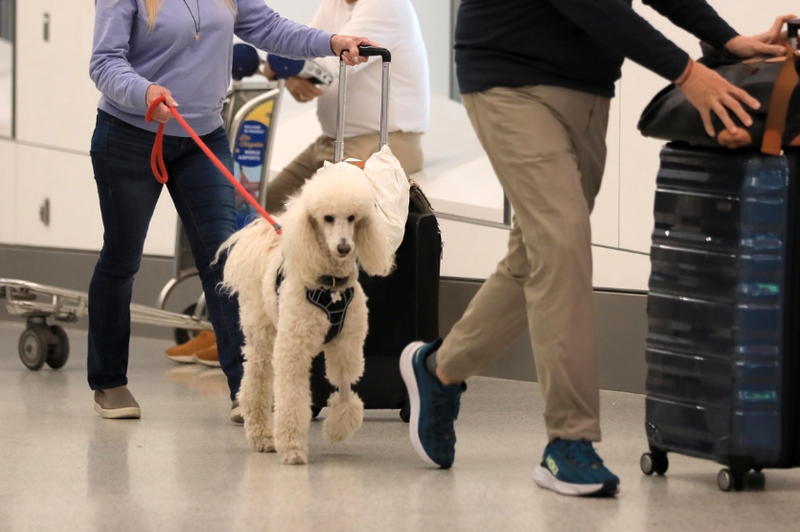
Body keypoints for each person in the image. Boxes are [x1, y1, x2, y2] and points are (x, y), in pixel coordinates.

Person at [400, 1, 795, 497]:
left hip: (587, 89)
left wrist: (726, 39)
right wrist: (688, 73)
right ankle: (569, 442)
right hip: (508, 79)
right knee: (562, 245)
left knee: (540, 253)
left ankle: (440, 370)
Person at [88, 0, 376, 422]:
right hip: (130, 136)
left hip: (201, 135)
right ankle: (109, 381)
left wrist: (331, 42)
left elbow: (269, 27)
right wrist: (145, 91)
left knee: (225, 259)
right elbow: (104, 62)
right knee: (122, 257)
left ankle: (246, 389)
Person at [263, 0, 429, 214]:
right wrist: (288, 75)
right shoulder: (333, 4)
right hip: (331, 142)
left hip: (381, 144)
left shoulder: (384, 4)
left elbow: (334, 64)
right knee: (266, 207)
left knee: (333, 214)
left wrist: (282, 70)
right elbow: (302, 49)